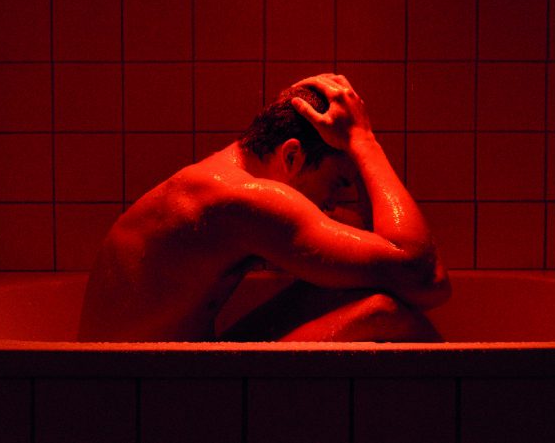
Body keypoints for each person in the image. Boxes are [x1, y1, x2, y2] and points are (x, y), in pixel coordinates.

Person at [78, 73, 450, 342]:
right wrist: (363, 142)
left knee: (355, 291)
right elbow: (425, 278)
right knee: (384, 311)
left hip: (138, 377)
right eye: (337, 183)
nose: (336, 202)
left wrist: (354, 148)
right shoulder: (242, 200)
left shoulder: (218, 186)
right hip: (137, 394)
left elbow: (379, 247)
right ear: (292, 156)